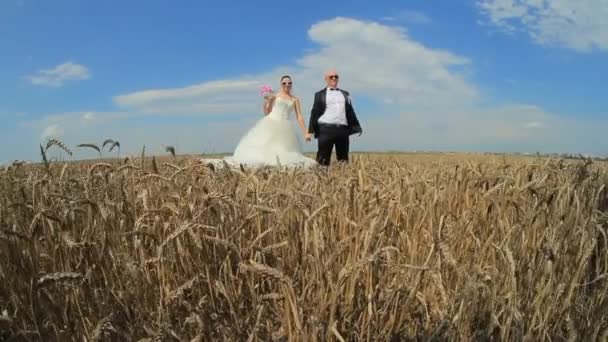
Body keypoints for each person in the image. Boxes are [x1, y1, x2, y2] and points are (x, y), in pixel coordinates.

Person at [203, 75, 318, 169]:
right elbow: (267, 112)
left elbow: (299, 116)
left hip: (286, 126)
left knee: (284, 150)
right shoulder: (275, 96)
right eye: (284, 83)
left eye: (289, 83)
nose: (287, 85)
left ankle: (277, 165)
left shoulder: (295, 99)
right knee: (264, 146)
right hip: (272, 122)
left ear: (292, 84)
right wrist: (267, 102)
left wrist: (306, 132)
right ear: (281, 84)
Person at [305, 69, 362, 166]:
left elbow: (350, 111)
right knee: (322, 159)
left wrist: (357, 126)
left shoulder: (345, 94)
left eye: (336, 76)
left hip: (342, 130)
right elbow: (314, 113)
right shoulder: (319, 95)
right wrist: (310, 131)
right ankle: (320, 180)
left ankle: (343, 179)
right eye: (331, 77)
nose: (334, 78)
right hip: (326, 130)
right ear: (326, 79)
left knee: (343, 160)